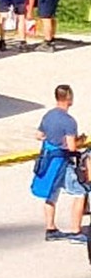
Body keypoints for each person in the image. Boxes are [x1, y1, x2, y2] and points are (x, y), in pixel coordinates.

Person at [39, 86, 85, 243]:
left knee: (51, 194)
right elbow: (71, 147)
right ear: (69, 99)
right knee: (80, 193)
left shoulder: (48, 116)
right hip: (62, 162)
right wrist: (80, 141)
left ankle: (50, 229)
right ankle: (75, 232)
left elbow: (39, 135)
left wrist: (53, 139)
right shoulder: (69, 121)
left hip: (48, 162)